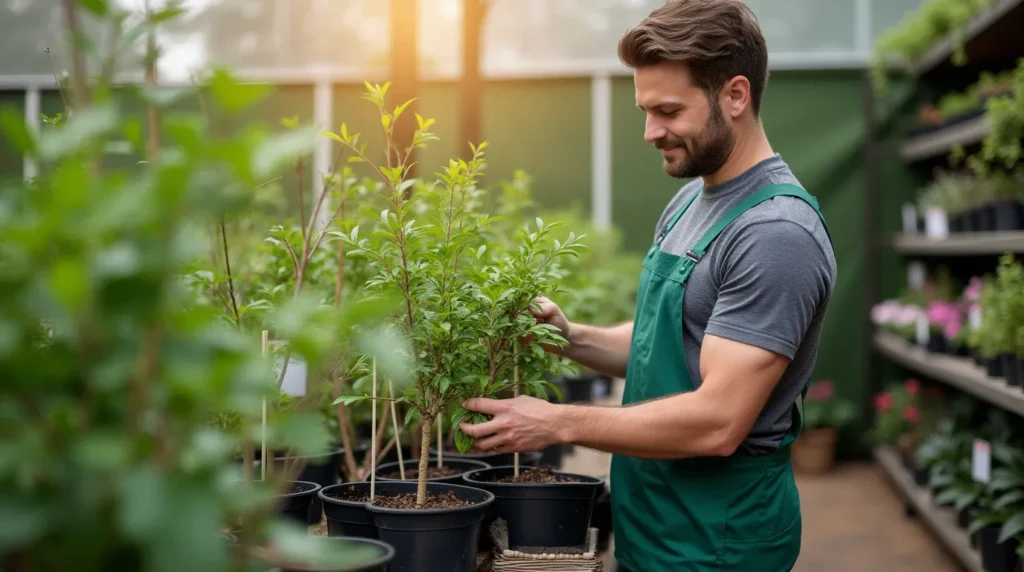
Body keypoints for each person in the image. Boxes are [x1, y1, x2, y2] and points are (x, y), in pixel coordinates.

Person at [459, 0, 838, 570]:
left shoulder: (775, 234)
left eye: (667, 110)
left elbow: (718, 421)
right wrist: (572, 338)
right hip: (655, 519)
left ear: (735, 96)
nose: (649, 131)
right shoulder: (693, 198)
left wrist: (556, 420)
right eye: (645, 109)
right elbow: (677, 336)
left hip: (717, 541)